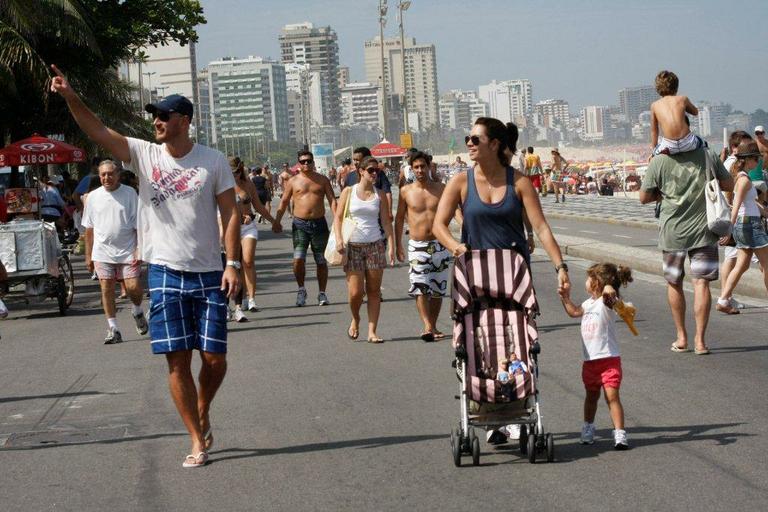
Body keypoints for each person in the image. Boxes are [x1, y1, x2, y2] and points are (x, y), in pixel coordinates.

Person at [51, 66, 240, 468]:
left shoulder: (213, 161)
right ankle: (195, 438)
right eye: (154, 115)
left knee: (215, 360)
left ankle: (203, 408)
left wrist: (233, 263)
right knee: (177, 359)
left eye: (164, 116)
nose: (156, 121)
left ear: (184, 121)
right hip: (165, 271)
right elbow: (98, 131)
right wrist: (70, 95)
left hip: (209, 272)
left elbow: (231, 213)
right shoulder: (143, 152)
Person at [432, 117, 572, 445]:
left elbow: (541, 228)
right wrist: (455, 247)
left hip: (513, 276)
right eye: (468, 138)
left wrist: (560, 267)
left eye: (475, 139)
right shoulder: (460, 183)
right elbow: (439, 225)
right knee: (479, 341)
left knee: (516, 338)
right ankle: (488, 413)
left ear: (494, 145)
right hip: (474, 277)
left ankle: (518, 410)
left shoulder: (519, 182)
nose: (469, 143)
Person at [639, 142, 733, 355]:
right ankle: (700, 341)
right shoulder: (708, 155)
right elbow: (729, 184)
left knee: (674, 282)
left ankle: (682, 337)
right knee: (702, 284)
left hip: (672, 232)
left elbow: (643, 197)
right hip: (704, 231)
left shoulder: (659, 161)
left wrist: (662, 193)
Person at [558, 263, 633, 450]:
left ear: (597, 282)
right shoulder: (588, 303)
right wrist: (565, 298)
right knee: (591, 396)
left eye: (590, 278)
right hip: (590, 361)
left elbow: (610, 296)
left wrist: (608, 286)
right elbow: (574, 312)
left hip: (609, 359)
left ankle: (619, 432)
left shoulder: (606, 304)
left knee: (611, 396)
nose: (587, 281)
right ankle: (588, 427)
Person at [82, 160, 147, 344]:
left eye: (110, 174)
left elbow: (139, 225)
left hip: (128, 250)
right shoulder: (93, 197)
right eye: (103, 175)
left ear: (118, 174)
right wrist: (88, 256)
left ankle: (137, 310)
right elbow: (89, 229)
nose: (106, 178)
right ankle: (113, 328)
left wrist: (138, 248)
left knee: (133, 287)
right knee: (106, 287)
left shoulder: (129, 193)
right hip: (102, 252)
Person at [334, 156, 395, 343]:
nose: (374, 173)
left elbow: (385, 221)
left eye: (376, 170)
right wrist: (338, 239)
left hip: (375, 244)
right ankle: (356, 318)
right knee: (356, 293)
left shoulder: (380, 194)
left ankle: (372, 331)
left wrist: (392, 245)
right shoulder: (348, 192)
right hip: (353, 246)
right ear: (360, 171)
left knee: (374, 291)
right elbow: (337, 217)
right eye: (370, 170)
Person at [395, 150, 450, 341]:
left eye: (423, 166)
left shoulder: (441, 188)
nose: (419, 170)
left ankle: (433, 326)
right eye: (416, 167)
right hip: (417, 245)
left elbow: (454, 211)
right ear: (411, 169)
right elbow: (399, 218)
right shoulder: (406, 191)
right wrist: (396, 245)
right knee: (420, 287)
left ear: (429, 167)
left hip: (440, 244)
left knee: (437, 289)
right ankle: (426, 325)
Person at [274, 150, 337, 307]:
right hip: (300, 224)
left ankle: (322, 293)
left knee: (321, 261)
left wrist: (337, 221)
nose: (306, 164)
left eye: (309, 161)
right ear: (299, 164)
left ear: (313, 162)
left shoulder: (322, 180)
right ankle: (301, 289)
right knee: (298, 259)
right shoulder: (293, 181)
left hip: (319, 224)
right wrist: (277, 221)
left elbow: (332, 200)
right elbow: (283, 202)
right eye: (303, 161)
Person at [715, 140, 768, 313]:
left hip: (746, 224)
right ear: (748, 159)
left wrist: (765, 212)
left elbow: (750, 203)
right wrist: (729, 229)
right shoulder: (744, 180)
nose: (758, 162)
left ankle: (723, 300)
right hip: (750, 225)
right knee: (766, 265)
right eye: (756, 159)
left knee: (742, 265)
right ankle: (723, 299)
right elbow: (736, 206)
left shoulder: (741, 177)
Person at [232, 158, 275, 315]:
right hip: (230, 228)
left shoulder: (248, 184)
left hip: (248, 227)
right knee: (235, 264)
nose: (234, 175)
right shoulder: (221, 183)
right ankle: (240, 298)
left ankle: (251, 299)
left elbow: (258, 206)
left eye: (236, 172)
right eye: (231, 172)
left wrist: (273, 221)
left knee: (248, 261)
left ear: (240, 170)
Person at [650, 70, 703, 156]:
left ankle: (661, 152)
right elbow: (695, 112)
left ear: (657, 89)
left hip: (669, 146)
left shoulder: (654, 105)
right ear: (676, 87)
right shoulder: (682, 99)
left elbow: (654, 131)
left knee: (657, 150)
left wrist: (653, 150)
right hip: (687, 142)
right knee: (702, 142)